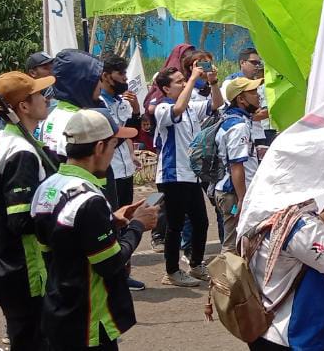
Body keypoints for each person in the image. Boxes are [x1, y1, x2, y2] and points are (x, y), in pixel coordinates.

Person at [32, 109, 159, 349]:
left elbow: (64, 239)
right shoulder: (90, 200)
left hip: (57, 309)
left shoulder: (47, 187)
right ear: (100, 147)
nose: (113, 153)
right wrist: (138, 225)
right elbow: (110, 264)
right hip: (88, 320)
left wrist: (111, 221)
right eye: (113, 146)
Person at [0, 71, 53, 351]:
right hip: (22, 266)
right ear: (23, 106)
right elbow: (21, 220)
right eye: (39, 94)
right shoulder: (21, 151)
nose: (46, 99)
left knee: (23, 334)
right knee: (32, 339)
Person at [248, 185, 324, 350]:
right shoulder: (297, 226)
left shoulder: (270, 212)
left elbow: (312, 230)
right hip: (299, 335)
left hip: (268, 326)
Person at [151, 65, 214, 286]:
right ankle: (171, 271)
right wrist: (194, 78)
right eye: (179, 81)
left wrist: (214, 82)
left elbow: (215, 104)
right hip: (173, 175)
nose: (184, 83)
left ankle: (195, 264)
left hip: (192, 174)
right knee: (175, 225)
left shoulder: (190, 107)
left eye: (184, 80)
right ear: (166, 89)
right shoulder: (162, 107)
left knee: (201, 222)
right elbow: (176, 110)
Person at [98, 53, 145, 291]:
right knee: (112, 223)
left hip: (124, 170)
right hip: (109, 172)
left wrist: (135, 111)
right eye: (121, 73)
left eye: (126, 72)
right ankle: (113, 274)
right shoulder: (99, 104)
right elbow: (111, 138)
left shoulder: (121, 102)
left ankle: (124, 272)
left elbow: (130, 133)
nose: (125, 78)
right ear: (106, 76)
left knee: (125, 222)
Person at [214, 76, 264, 250]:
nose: (258, 95)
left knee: (241, 244)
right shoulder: (238, 126)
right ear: (241, 99)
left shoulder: (232, 119)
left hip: (231, 191)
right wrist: (242, 198)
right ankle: (226, 270)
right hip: (233, 194)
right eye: (253, 92)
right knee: (233, 247)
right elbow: (236, 165)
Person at [41, 49, 104, 162]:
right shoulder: (80, 121)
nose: (101, 86)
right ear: (82, 83)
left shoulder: (53, 113)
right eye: (98, 79)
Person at [225, 48, 272, 147]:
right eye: (254, 62)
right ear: (242, 63)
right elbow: (230, 111)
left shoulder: (258, 82)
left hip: (258, 134)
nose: (257, 66)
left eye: (259, 63)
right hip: (242, 135)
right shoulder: (231, 83)